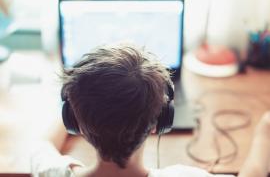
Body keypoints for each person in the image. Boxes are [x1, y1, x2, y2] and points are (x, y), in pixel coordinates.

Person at [30, 43, 267, 177]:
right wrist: (265, 132)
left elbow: (40, 146)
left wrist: (78, 106)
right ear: (160, 121)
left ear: (73, 121)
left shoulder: (53, 173)